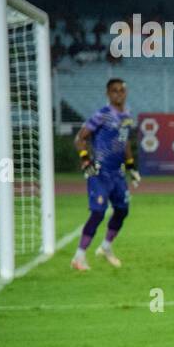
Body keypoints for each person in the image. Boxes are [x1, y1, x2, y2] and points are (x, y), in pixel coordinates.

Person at [71, 78, 139, 270]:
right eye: (114, 91)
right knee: (98, 212)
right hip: (100, 172)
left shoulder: (127, 115)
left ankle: (106, 247)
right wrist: (85, 159)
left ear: (126, 93)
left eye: (121, 91)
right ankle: (79, 256)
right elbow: (80, 138)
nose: (118, 94)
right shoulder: (101, 115)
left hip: (118, 173)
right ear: (108, 94)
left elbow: (124, 141)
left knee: (122, 211)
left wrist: (131, 166)